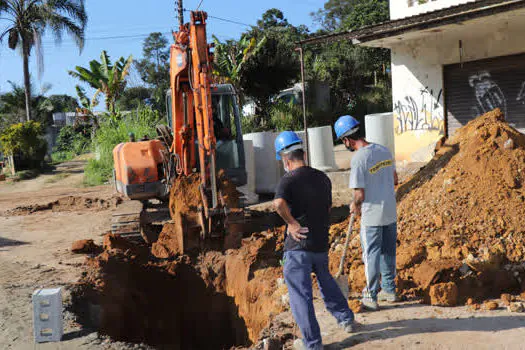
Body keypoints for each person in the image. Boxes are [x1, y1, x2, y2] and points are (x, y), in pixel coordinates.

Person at [273, 131, 355, 350]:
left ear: (285, 159)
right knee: (325, 280)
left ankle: (312, 344)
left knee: (300, 295)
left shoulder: (288, 180)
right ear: (304, 154)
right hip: (319, 242)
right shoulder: (322, 178)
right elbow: (327, 207)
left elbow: (278, 204)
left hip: (298, 246)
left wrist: (291, 222)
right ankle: (345, 318)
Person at [334, 115, 398, 311]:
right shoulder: (384, 150)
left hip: (372, 215)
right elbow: (395, 179)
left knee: (371, 255)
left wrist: (355, 204)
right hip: (390, 211)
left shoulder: (359, 159)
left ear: (346, 140)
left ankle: (371, 295)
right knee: (388, 253)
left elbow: (359, 193)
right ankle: (389, 290)